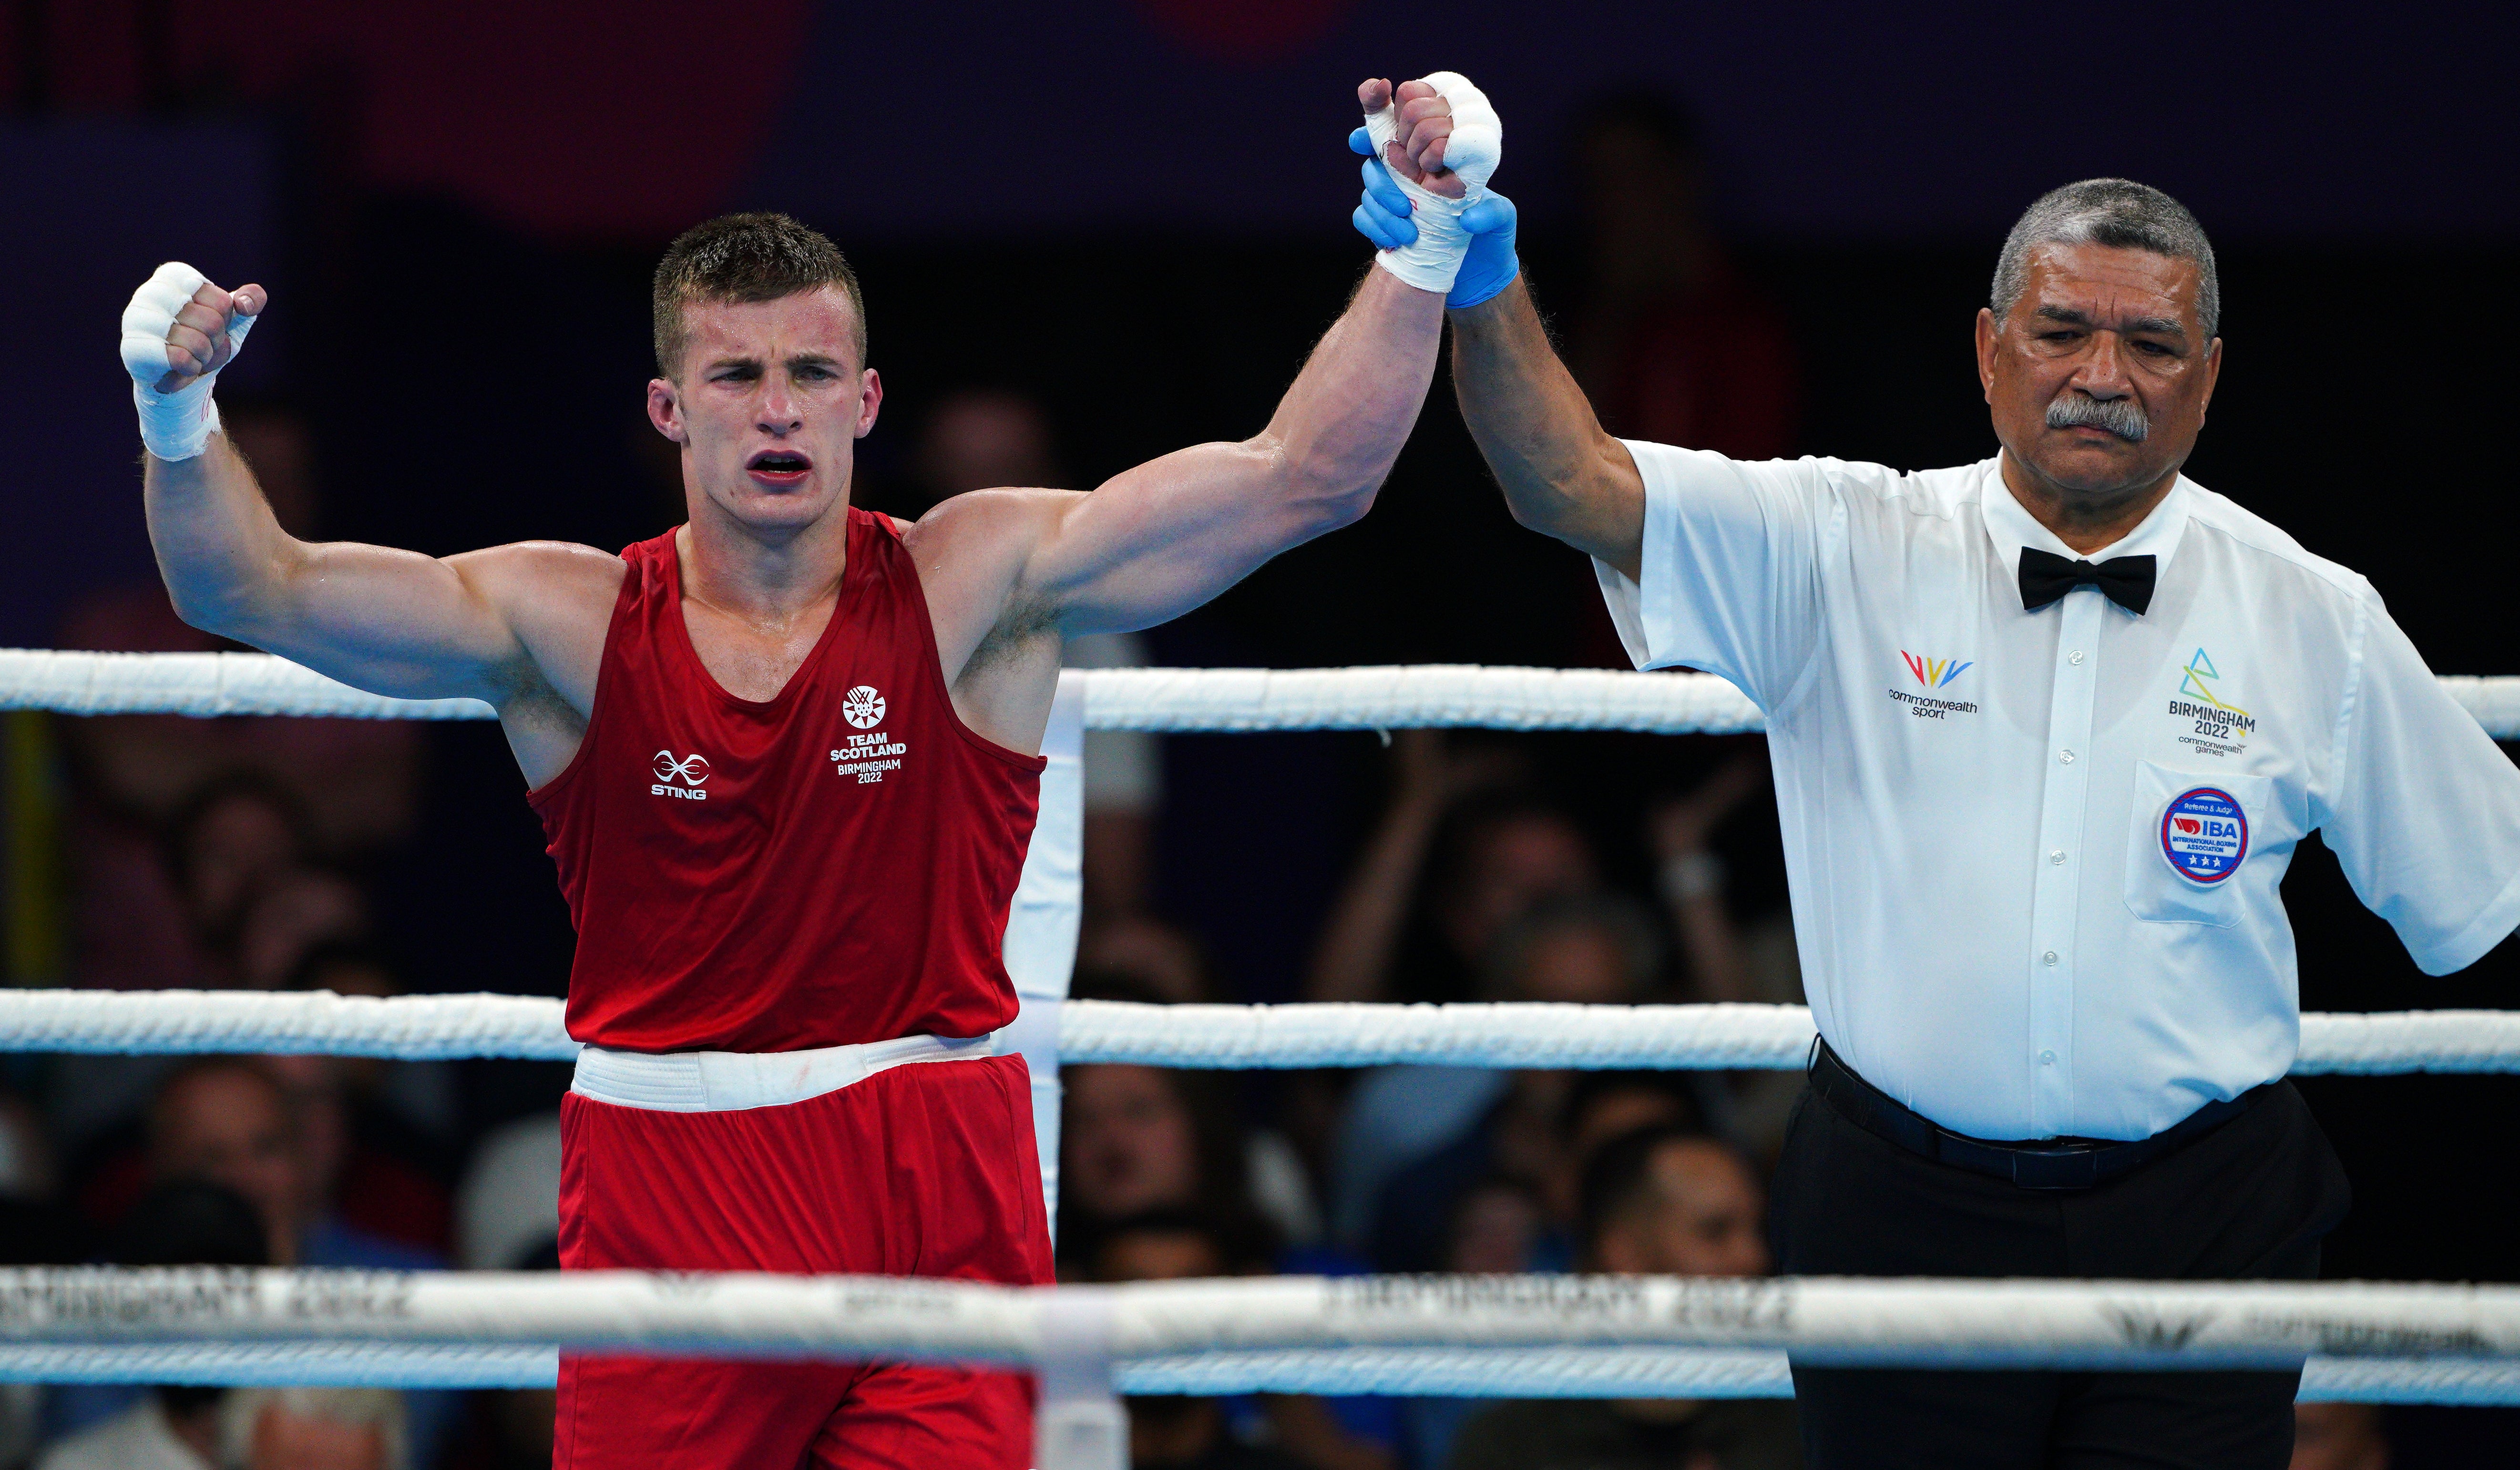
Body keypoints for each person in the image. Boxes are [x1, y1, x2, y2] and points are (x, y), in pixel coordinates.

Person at [120, 72, 1498, 1467]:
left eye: (810, 374)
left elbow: (1302, 478)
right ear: (669, 404)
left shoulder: (979, 578)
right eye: (736, 375)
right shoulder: (569, 619)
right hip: (670, 1179)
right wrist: (179, 419)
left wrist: (1422, 244)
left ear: (864, 397)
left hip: (930, 1175)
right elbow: (261, 589)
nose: (776, 412)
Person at [1356, 99, 2520, 1467]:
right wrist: (1479, 277)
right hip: (1893, 1202)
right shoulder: (1839, 542)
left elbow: (2483, 891)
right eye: (2059, 331)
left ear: (2205, 376)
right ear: (1985, 350)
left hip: (2202, 1214)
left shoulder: (2312, 615)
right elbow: (1563, 479)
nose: (2101, 373)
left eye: (2149, 343)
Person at [1444, 1125, 1799, 1470]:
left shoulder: (1800, 1429)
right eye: (1715, 1232)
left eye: (1758, 1229)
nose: (1753, 1257)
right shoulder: (1512, 1445)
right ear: (1623, 1251)